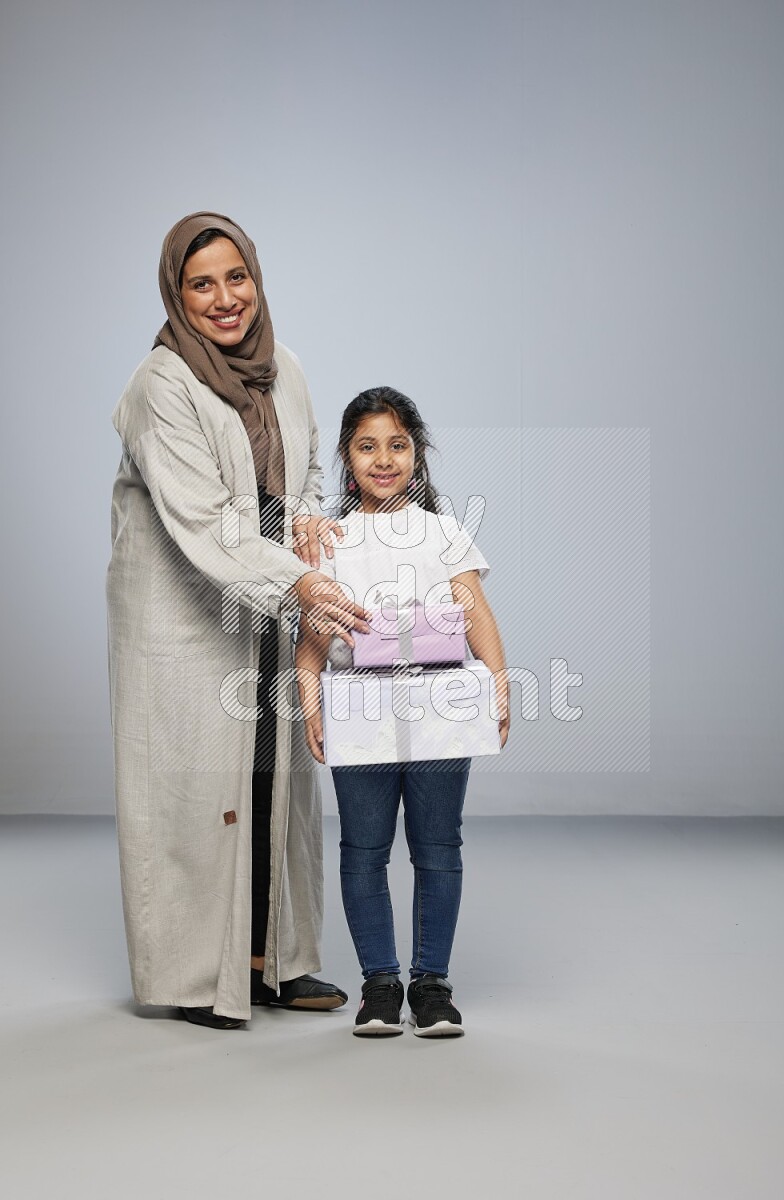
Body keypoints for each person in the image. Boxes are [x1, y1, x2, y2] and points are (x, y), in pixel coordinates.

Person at [106, 211, 369, 1029]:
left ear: (256, 277)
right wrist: (301, 585)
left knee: (275, 778)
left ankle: (276, 962)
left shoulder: (282, 367)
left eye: (237, 277)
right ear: (176, 294)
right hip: (182, 612)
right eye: (201, 284)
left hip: (268, 598)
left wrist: (310, 532)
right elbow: (206, 520)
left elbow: (300, 480)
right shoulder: (162, 384)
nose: (225, 300)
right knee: (192, 787)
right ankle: (197, 977)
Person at [295, 387, 510, 1037]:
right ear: (345, 455)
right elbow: (311, 641)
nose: (383, 459)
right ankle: (380, 986)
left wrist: (499, 683)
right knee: (363, 848)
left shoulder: (443, 531)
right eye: (367, 446)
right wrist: (310, 701)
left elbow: (474, 609)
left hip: (442, 708)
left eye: (397, 445)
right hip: (359, 711)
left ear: (416, 454)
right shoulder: (328, 541)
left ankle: (433, 985)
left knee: (438, 846)